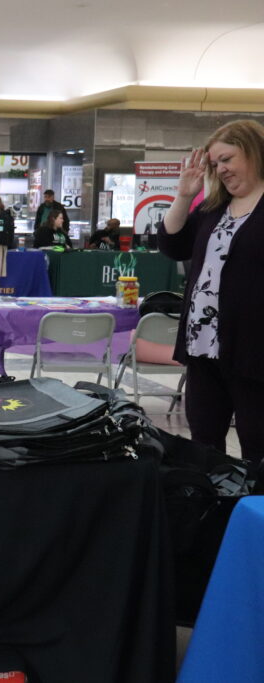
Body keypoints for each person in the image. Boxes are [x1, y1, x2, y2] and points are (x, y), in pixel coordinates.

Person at [159, 119, 264, 463]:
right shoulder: (214, 208)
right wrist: (184, 196)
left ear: (253, 152)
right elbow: (173, 245)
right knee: (203, 440)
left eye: (227, 159)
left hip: (252, 348)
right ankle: (210, 497)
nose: (221, 170)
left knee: (256, 442)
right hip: (203, 345)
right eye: (216, 164)